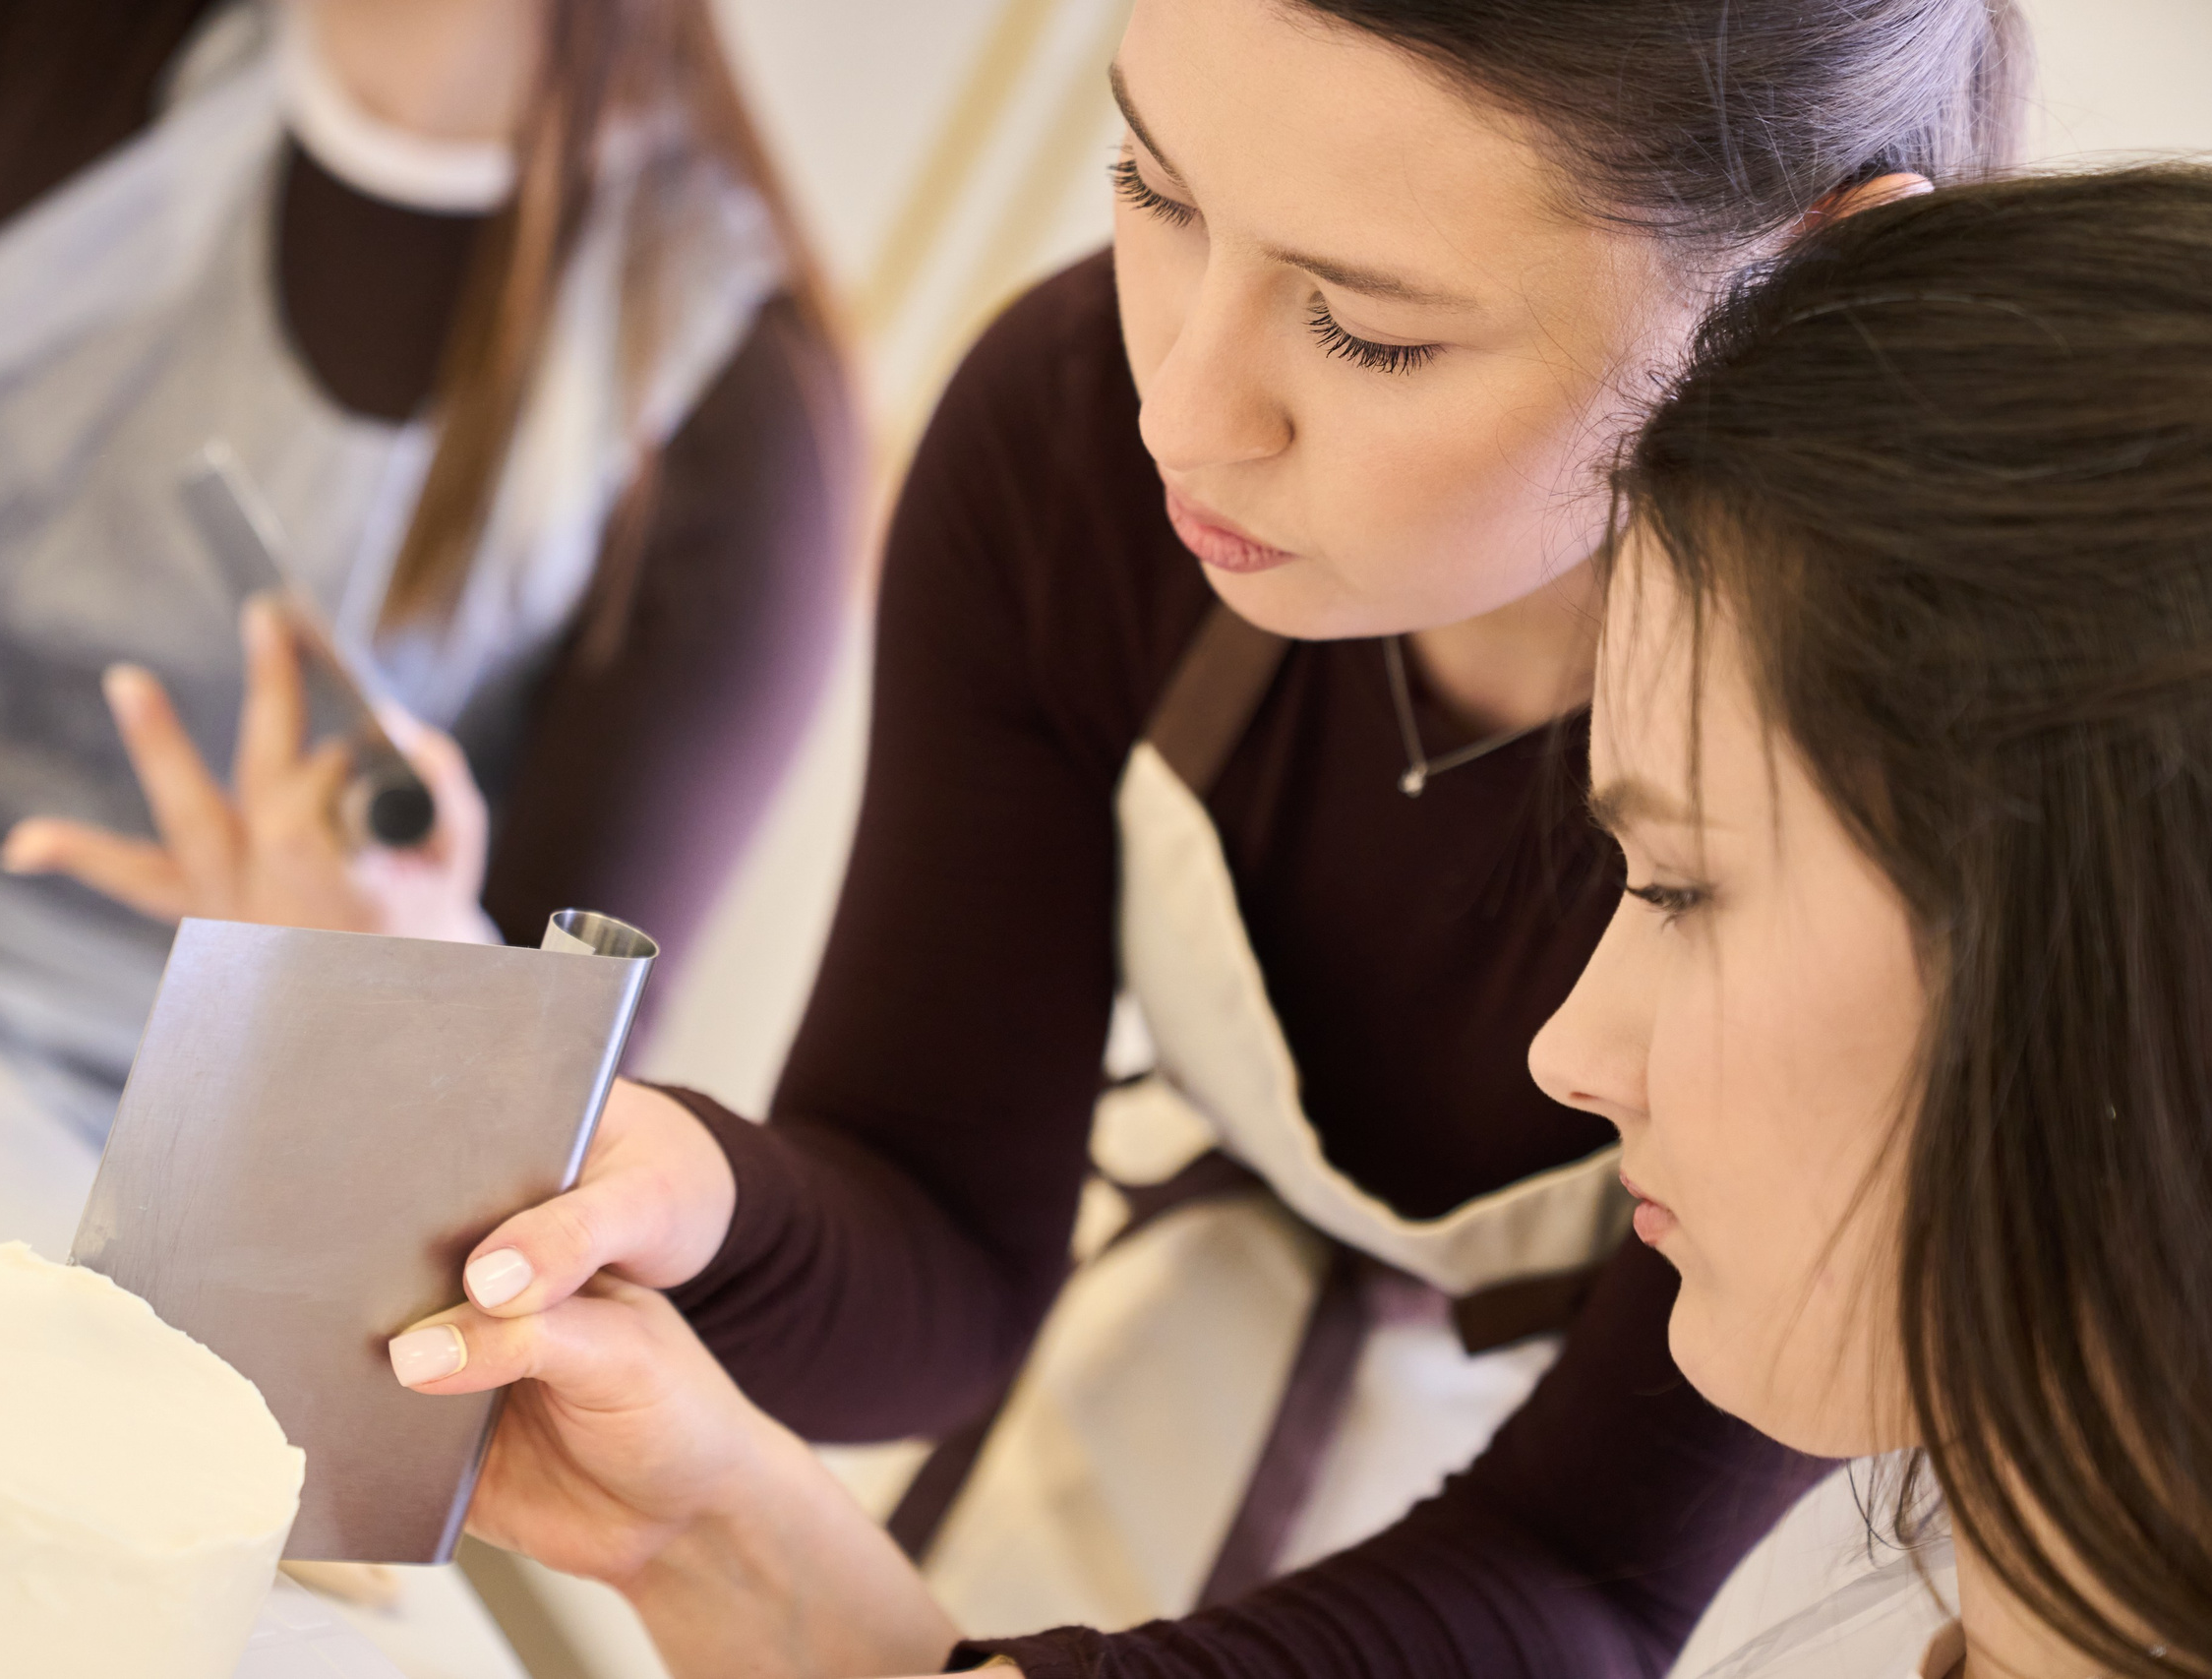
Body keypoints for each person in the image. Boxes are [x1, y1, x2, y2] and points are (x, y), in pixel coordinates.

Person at [365, 0, 2037, 1671]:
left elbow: (1587, 1568)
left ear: (1806, 283)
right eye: (1152, 191)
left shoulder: (1963, 783)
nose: (1184, 409)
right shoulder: (1074, 439)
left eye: (1367, 328)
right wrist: (690, 1194)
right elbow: (935, 1217)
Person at [0, 0, 853, 1133]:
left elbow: (549, 1121)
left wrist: (413, 967)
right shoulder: (58, 30)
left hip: (110, 1169)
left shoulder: (742, 401)